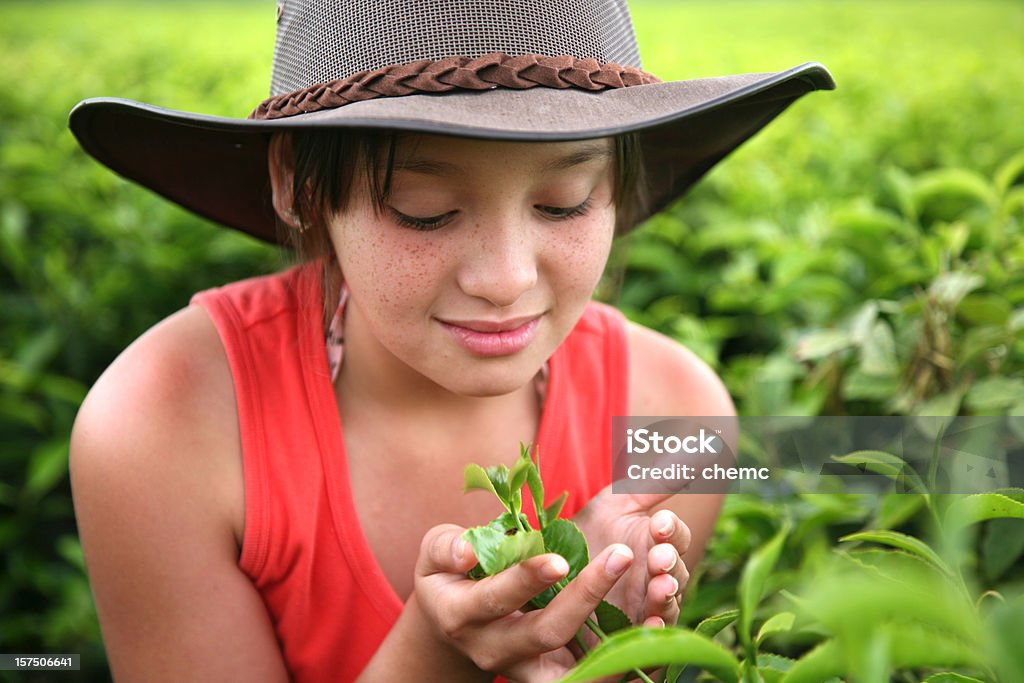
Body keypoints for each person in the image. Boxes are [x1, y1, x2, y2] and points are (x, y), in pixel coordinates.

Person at [67, 1, 833, 681]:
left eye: (564, 203)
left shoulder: (676, 413)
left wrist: (612, 636)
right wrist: (433, 656)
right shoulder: (164, 424)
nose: (504, 279)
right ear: (295, 184)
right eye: (424, 209)